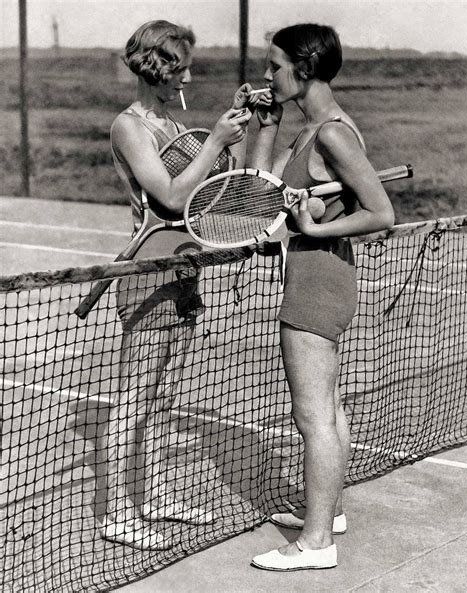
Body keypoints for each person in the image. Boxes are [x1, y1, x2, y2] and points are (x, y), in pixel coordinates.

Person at [240, 23, 395, 570]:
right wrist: (267, 125)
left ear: (303, 69)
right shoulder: (310, 128)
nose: (265, 74)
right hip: (321, 271)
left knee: (313, 418)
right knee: (327, 408)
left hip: (318, 276)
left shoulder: (333, 133)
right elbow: (256, 194)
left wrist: (311, 226)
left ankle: (315, 544)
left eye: (274, 65)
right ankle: (328, 513)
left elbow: (381, 214)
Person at [99, 20, 251, 551]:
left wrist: (233, 135)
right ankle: (118, 513)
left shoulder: (166, 119)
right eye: (181, 65)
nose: (189, 73)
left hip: (186, 268)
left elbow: (213, 190)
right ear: (159, 68)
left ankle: (158, 495)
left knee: (163, 396)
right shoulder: (130, 126)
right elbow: (166, 196)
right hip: (148, 275)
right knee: (134, 399)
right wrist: (213, 139)